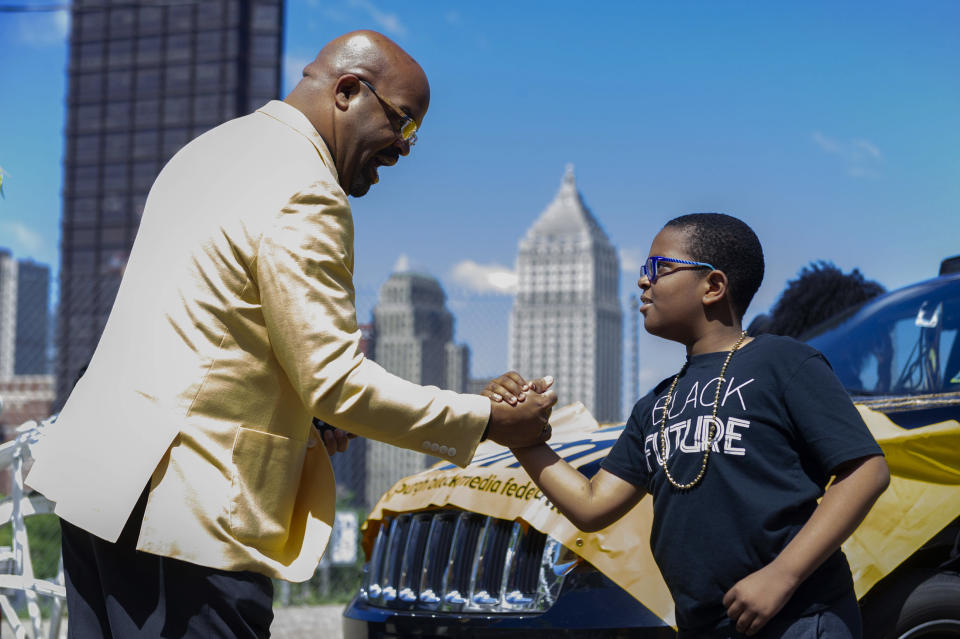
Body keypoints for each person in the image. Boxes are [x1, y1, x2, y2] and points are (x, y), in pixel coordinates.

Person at [26, 30, 556, 638]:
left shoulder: (206, 150)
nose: (406, 151)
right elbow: (336, 382)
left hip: (99, 485)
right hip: (185, 513)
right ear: (349, 91)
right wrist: (487, 420)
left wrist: (301, 421)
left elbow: (204, 331)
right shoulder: (307, 189)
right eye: (405, 126)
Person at [486, 213, 890, 638]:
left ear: (713, 286)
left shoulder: (784, 361)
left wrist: (782, 576)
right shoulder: (655, 404)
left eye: (658, 269)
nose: (643, 282)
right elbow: (590, 505)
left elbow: (865, 471)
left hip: (799, 617)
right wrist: (521, 437)